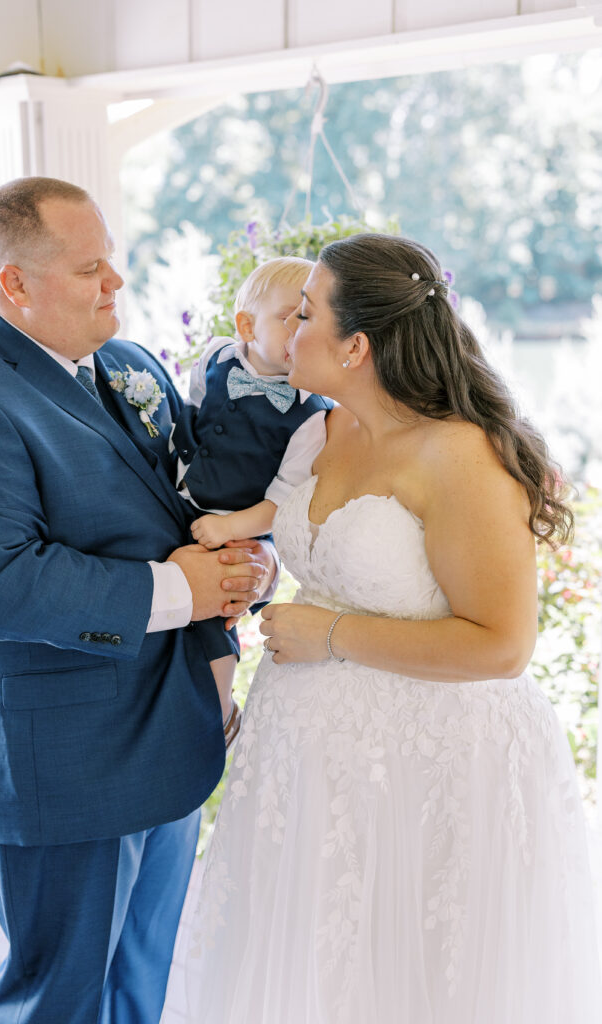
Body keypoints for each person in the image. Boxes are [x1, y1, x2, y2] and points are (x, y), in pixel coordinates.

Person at [187, 233, 602, 1023]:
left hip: (435, 765)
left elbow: (503, 646)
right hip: (311, 767)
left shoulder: (458, 455)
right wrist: (265, 573)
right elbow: (313, 546)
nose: (288, 327)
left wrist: (331, 636)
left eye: (304, 313)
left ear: (355, 347)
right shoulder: (317, 432)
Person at [0, 176, 276, 1024]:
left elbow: (199, 508)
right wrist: (180, 589)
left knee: (139, 983)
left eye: (111, 261)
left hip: (170, 732)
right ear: (14, 283)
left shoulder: (131, 362)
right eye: (90, 269)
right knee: (62, 998)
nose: (116, 282)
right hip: (57, 755)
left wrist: (246, 563)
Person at [171, 256, 332, 738]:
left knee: (218, 620)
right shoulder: (217, 358)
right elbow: (191, 417)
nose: (300, 331)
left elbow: (282, 502)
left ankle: (222, 710)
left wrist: (230, 528)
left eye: (310, 318)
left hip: (236, 522)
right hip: (178, 501)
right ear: (246, 325)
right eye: (289, 317)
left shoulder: (310, 415)